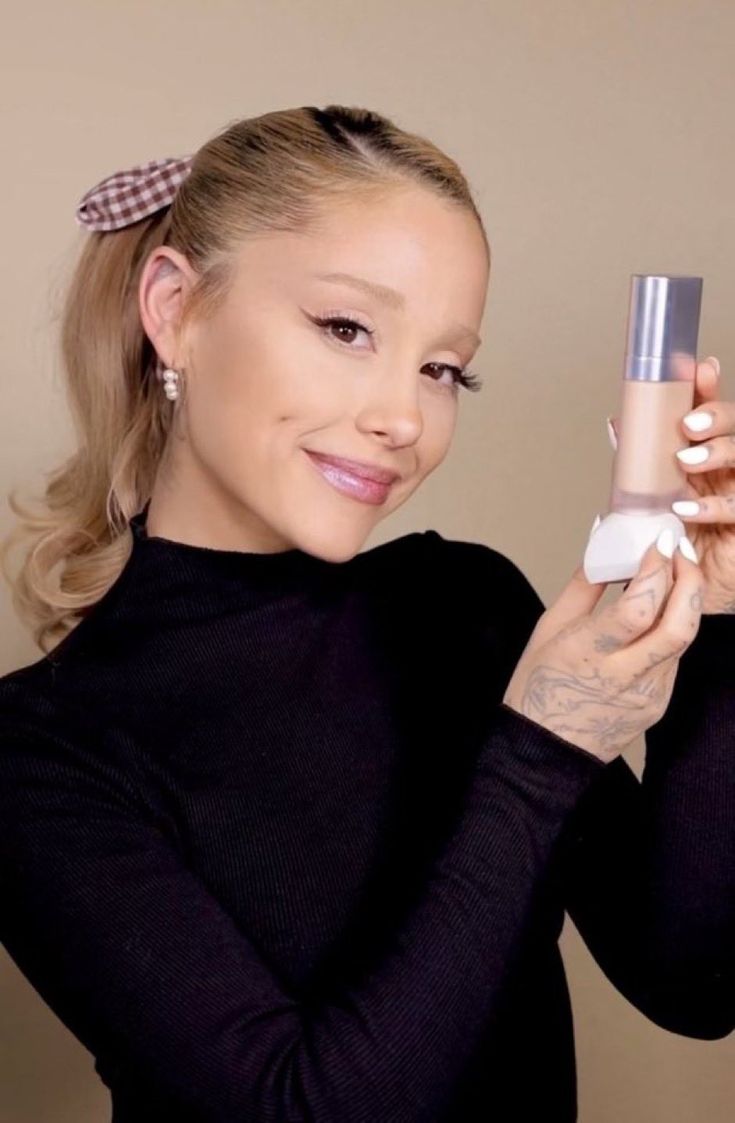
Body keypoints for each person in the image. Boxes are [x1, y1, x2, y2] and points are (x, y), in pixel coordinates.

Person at [0, 104, 732, 1123]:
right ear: (174, 309)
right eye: (347, 328)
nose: (404, 417)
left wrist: (720, 624)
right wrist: (540, 752)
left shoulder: (462, 609)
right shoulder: (43, 749)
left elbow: (694, 980)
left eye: (442, 368)